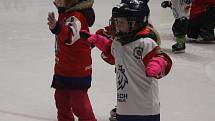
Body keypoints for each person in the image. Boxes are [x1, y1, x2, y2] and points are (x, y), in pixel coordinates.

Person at [80, 0, 172, 121]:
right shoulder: (118, 43)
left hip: (145, 109)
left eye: (122, 22)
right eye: (116, 22)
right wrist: (97, 40)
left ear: (136, 23)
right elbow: (111, 52)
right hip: (124, 107)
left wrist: (157, 64)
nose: (117, 25)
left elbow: (162, 59)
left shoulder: (146, 43)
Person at [47, 0, 97, 121]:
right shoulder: (65, 13)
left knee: (79, 104)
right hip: (62, 68)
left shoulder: (77, 16)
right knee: (61, 100)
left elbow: (70, 36)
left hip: (77, 70)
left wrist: (56, 27)